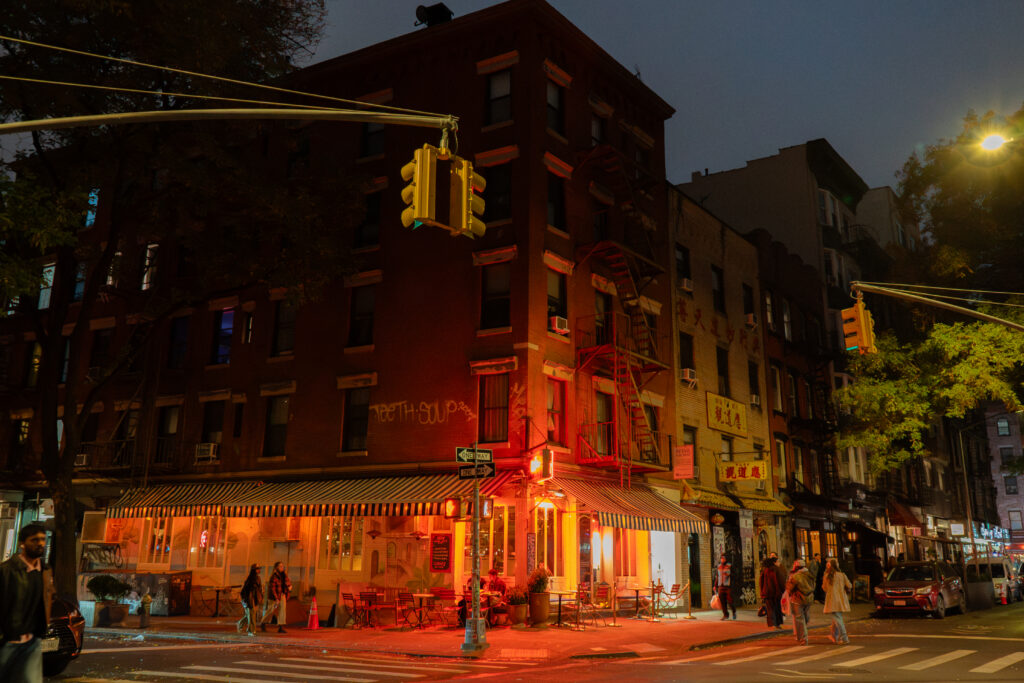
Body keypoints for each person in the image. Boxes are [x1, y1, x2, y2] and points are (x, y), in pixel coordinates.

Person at [0, 523, 51, 683]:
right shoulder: (7, 570)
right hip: (7, 641)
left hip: (32, 641)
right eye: (34, 540)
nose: (40, 543)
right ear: (22, 543)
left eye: (43, 539)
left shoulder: (44, 571)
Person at [785, 559, 815, 645]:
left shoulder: (795, 576)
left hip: (797, 599)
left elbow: (790, 588)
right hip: (809, 598)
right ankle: (801, 635)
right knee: (805, 617)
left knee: (799, 618)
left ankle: (803, 638)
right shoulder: (810, 575)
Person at [823, 559, 852, 644]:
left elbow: (824, 588)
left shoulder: (827, 576)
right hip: (841, 599)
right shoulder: (842, 575)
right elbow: (849, 585)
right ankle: (834, 636)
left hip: (832, 599)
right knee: (836, 617)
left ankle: (844, 637)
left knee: (837, 618)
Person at [260, 562, 291, 633]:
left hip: (282, 595)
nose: (282, 567)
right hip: (275, 597)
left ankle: (280, 627)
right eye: (280, 566)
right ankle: (263, 623)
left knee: (282, 611)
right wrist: (276, 598)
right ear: (276, 567)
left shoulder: (284, 575)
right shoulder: (274, 576)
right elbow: (272, 588)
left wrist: (289, 586)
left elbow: (288, 582)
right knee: (271, 610)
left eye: (282, 566)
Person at [759, 556, 784, 630]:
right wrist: (782, 591)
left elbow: (761, 582)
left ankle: (773, 623)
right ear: (774, 562)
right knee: (776, 608)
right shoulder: (775, 570)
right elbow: (779, 582)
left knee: (771, 609)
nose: (779, 563)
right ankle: (776, 624)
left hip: (767, 593)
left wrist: (762, 592)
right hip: (775, 593)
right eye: (778, 561)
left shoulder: (765, 570)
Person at [238, 564, 262, 636]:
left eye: (259, 568)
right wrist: (245, 600)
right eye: (257, 569)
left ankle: (240, 624)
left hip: (255, 599)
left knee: (250, 614)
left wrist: (260, 597)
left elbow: (259, 590)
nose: (259, 570)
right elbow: (244, 591)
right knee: (251, 615)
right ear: (254, 570)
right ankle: (251, 631)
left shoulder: (258, 578)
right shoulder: (250, 579)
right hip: (249, 599)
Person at [712, 554, 736, 620]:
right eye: (721, 558)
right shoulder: (719, 566)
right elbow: (717, 576)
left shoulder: (729, 566)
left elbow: (734, 575)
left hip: (728, 586)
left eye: (723, 558)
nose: (722, 559)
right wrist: (715, 585)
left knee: (730, 601)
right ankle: (725, 615)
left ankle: (734, 611)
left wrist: (730, 578)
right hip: (720, 586)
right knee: (723, 602)